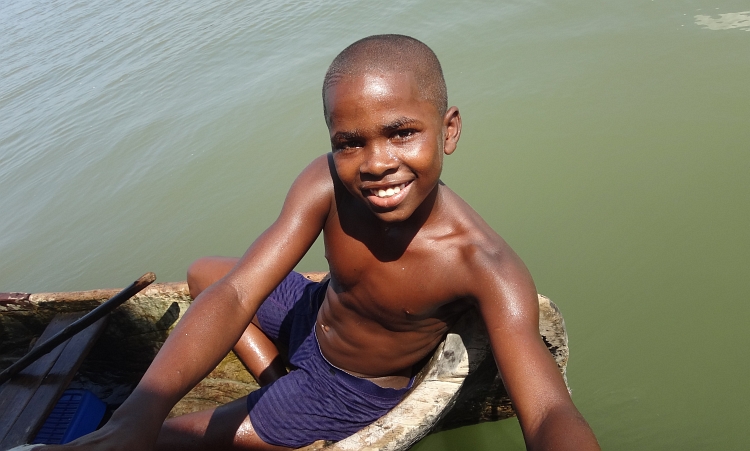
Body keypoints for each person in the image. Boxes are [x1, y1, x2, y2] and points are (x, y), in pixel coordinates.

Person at [37, 35, 600, 451]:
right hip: (316, 315)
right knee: (207, 272)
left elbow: (550, 409)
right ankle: (275, 380)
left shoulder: (482, 263)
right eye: (350, 142)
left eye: (402, 132)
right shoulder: (326, 181)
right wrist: (140, 408)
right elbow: (234, 296)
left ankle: (284, 403)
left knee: (165, 441)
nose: (378, 163)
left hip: (348, 387)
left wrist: (147, 427)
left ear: (448, 130)